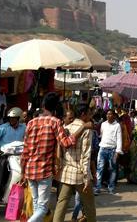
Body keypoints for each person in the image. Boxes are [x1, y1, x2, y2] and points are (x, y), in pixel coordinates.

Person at [19, 93, 85, 222]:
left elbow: (25, 151)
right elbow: (66, 143)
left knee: (38, 205)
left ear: (44, 106)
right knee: (42, 208)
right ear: (56, 107)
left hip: (29, 169)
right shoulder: (55, 122)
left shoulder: (31, 122)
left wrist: (22, 172)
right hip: (44, 170)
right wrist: (82, 128)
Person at [54, 103, 96, 222]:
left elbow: (60, 150)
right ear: (83, 114)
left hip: (67, 170)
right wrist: (87, 176)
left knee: (61, 203)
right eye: (88, 113)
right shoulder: (86, 129)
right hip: (80, 173)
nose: (90, 115)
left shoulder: (65, 127)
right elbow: (86, 155)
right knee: (89, 204)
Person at [95, 109, 123, 195]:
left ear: (114, 116)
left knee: (113, 169)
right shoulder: (103, 124)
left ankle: (111, 188)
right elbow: (101, 134)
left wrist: (118, 151)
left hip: (113, 150)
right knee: (100, 168)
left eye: (110, 114)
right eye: (107, 114)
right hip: (103, 148)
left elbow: (119, 139)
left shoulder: (117, 125)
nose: (108, 116)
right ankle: (98, 187)